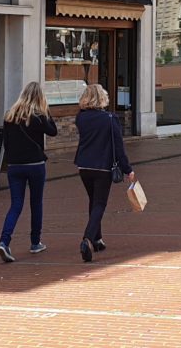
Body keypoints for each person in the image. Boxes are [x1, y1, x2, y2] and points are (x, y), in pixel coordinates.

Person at [0, 82, 58, 263]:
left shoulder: (10, 116)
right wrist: (47, 112)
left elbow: (6, 142)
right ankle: (35, 242)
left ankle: (4, 241)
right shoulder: (39, 117)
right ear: (40, 97)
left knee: (16, 205)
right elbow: (53, 131)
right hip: (35, 164)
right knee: (36, 203)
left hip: (15, 166)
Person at [74, 83, 135, 262]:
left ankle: (97, 239)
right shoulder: (110, 118)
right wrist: (128, 169)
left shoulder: (81, 118)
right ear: (102, 98)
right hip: (102, 166)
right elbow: (119, 147)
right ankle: (87, 239)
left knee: (93, 201)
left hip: (84, 166)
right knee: (100, 203)